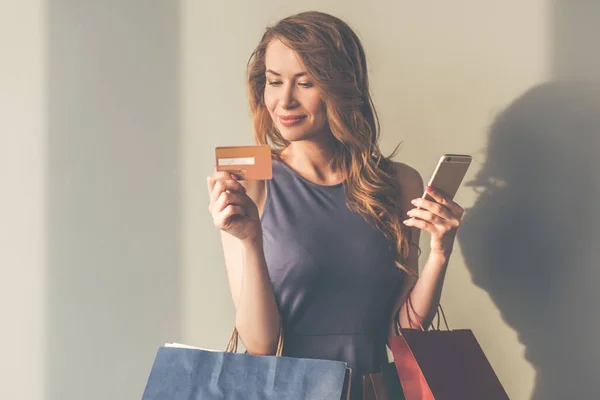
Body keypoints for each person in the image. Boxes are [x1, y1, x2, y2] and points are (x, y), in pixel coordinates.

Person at [207, 11, 464, 399]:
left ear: (341, 86)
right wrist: (249, 240)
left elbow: (402, 332)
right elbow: (260, 345)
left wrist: (440, 254)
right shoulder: (250, 181)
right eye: (274, 82)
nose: (285, 100)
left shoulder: (398, 183)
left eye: (305, 82)